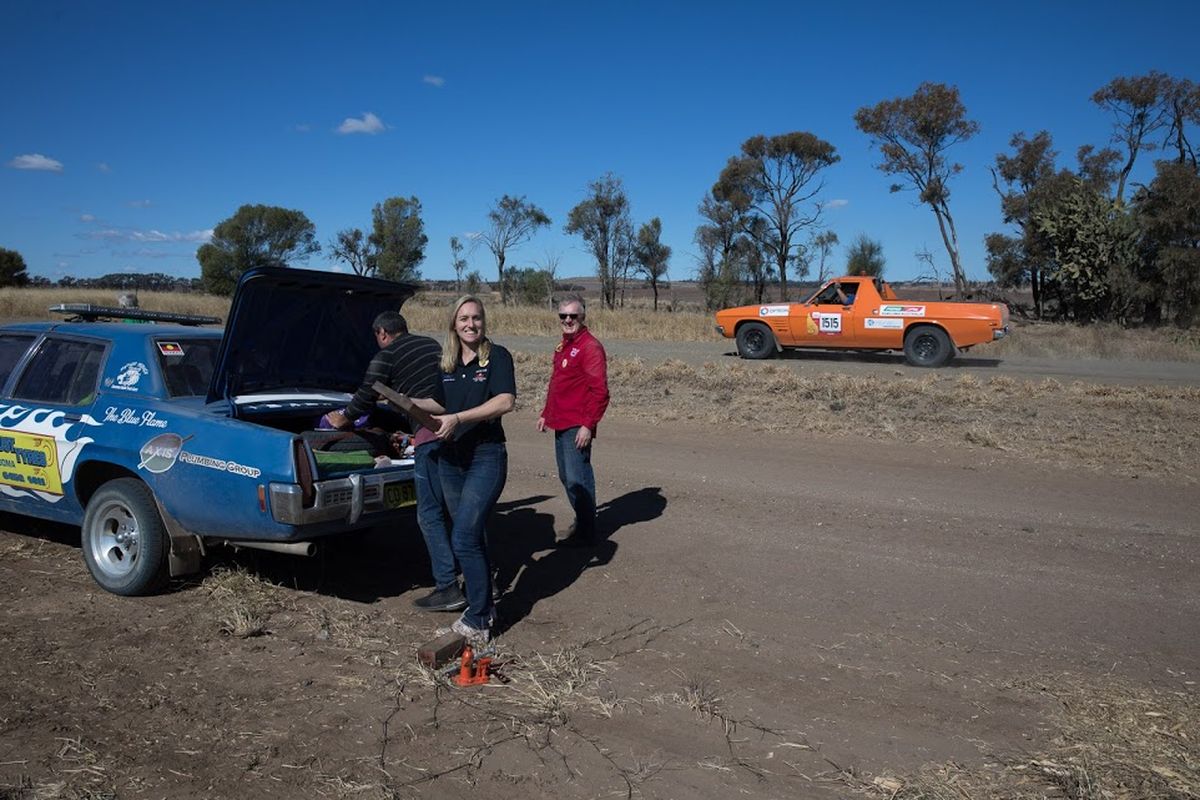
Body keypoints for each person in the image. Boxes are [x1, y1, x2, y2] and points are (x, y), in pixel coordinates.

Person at [321, 312, 461, 612]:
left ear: (382, 333)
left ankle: (447, 586)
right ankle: (479, 578)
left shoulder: (385, 356)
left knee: (430, 512)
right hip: (457, 427)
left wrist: (342, 420)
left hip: (430, 432)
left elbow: (365, 396)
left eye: (377, 337)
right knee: (458, 507)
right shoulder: (431, 345)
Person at [430, 296, 516, 644]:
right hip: (451, 458)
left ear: (484, 322)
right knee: (471, 534)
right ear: (453, 323)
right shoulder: (447, 362)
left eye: (476, 318)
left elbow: (505, 400)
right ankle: (485, 604)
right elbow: (438, 404)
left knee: (463, 537)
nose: (470, 324)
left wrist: (459, 419)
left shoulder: (496, 356)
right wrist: (400, 401)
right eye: (463, 318)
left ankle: (479, 619)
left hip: (486, 456)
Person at [537, 294, 610, 548]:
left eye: (573, 316)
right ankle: (583, 520)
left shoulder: (590, 347)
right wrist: (546, 413)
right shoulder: (564, 345)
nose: (568, 320)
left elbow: (600, 391)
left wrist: (588, 425)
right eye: (563, 316)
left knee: (578, 478)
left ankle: (587, 534)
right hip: (561, 421)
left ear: (583, 317)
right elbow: (558, 383)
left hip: (577, 425)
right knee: (567, 477)